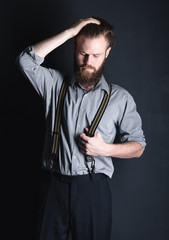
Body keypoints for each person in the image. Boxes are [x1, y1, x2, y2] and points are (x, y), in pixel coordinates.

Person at [16, 17, 146, 240]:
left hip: (93, 191)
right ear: (74, 47)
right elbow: (25, 61)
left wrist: (104, 149)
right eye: (83, 53)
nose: (88, 61)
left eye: (96, 55)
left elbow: (138, 147)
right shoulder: (55, 84)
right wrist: (69, 32)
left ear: (107, 53)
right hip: (53, 187)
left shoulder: (120, 98)